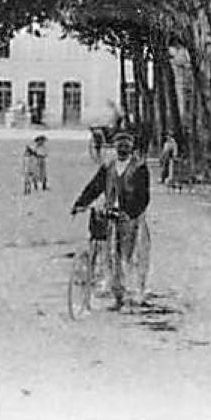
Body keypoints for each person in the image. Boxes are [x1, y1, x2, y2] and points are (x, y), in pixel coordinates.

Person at [71, 132, 150, 309]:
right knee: (110, 254)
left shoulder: (139, 168)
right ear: (115, 148)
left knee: (129, 255)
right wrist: (80, 203)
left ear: (131, 148)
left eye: (126, 146)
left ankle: (132, 292)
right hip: (111, 214)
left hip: (131, 218)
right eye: (119, 145)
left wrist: (130, 212)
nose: (122, 149)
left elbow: (143, 196)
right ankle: (117, 294)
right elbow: (95, 186)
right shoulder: (109, 167)